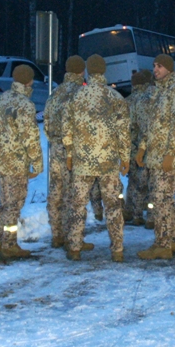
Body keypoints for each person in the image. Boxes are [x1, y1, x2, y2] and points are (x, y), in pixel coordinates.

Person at [62, 55, 130, 262]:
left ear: (89, 72)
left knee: (77, 204)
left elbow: (67, 128)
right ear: (104, 71)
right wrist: (125, 158)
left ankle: (74, 247)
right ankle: (117, 249)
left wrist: (70, 154)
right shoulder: (115, 97)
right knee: (113, 206)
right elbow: (123, 132)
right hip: (108, 163)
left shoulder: (76, 97)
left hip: (83, 162)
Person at [137, 54, 175, 260]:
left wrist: (171, 154)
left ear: (169, 68)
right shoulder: (158, 92)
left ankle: (162, 244)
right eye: (154, 66)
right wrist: (142, 148)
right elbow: (152, 126)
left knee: (160, 199)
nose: (155, 69)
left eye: (159, 66)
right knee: (166, 200)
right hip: (156, 155)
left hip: (167, 157)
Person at [0, 64, 43, 259]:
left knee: (4, 203)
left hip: (1, 161)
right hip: (17, 162)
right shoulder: (25, 105)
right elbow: (30, 137)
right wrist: (37, 163)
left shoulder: (1, 100)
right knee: (14, 204)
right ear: (29, 81)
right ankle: (9, 244)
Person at [42, 55, 85, 249]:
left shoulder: (55, 93)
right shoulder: (80, 93)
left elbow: (47, 123)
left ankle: (56, 235)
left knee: (56, 193)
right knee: (73, 195)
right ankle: (73, 238)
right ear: (81, 71)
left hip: (56, 149)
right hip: (73, 151)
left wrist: (55, 141)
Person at [125, 69, 154, 226]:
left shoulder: (128, 101)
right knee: (150, 185)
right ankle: (151, 216)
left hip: (132, 149)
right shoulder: (150, 99)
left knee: (134, 183)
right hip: (149, 148)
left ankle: (133, 212)